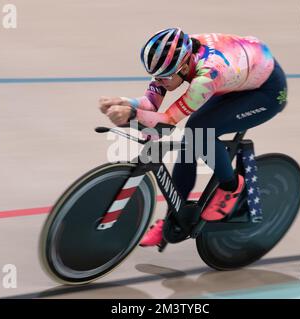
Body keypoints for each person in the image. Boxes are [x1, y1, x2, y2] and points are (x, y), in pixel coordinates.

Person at [99, 28, 288, 248]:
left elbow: (167, 121)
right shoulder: (172, 60)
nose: (160, 81)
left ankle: (230, 186)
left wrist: (131, 115)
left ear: (184, 66)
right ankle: (174, 217)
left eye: (165, 77)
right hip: (238, 75)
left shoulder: (206, 76)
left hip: (266, 92)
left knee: (200, 130)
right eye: (155, 76)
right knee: (190, 142)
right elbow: (151, 104)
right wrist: (124, 102)